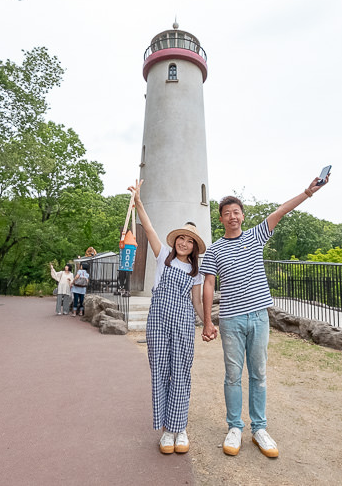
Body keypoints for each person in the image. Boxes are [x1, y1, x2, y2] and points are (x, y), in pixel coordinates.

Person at [199, 173, 330, 458]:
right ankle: (235, 427)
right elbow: (208, 283)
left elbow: (281, 210)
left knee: (258, 374)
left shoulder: (257, 235)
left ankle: (259, 428)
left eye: (236, 212)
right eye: (226, 213)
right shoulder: (214, 251)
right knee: (233, 375)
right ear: (220, 219)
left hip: (258, 316)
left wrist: (308, 192)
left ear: (243, 216)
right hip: (231, 319)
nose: (232, 216)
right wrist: (208, 320)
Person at [129, 180, 212, 455]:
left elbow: (197, 300)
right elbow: (149, 228)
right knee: (160, 371)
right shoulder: (163, 255)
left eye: (190, 241)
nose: (184, 243)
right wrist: (139, 202)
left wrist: (208, 323)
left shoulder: (196, 272)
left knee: (181, 373)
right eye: (181, 239)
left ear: (195, 247)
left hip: (184, 323)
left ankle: (180, 427)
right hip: (158, 322)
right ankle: (166, 430)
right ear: (175, 241)